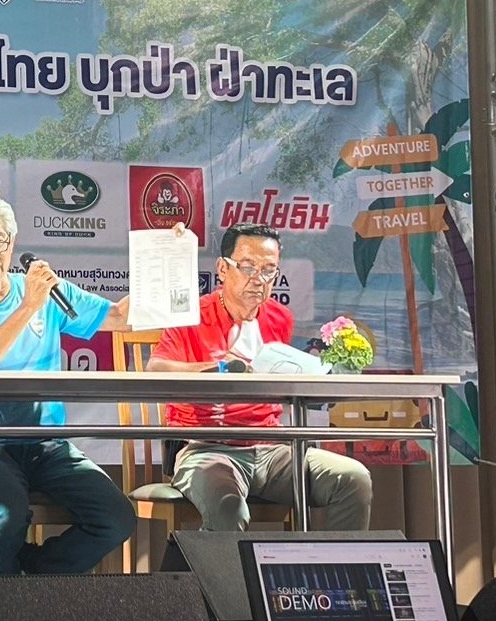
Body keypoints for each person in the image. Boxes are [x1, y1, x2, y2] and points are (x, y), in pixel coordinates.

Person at [0, 195, 136, 575]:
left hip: (46, 444)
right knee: (6, 515)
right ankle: (5, 604)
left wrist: (167, 261)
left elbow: (120, 318)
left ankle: (32, 578)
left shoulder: (45, 291)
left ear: (13, 242)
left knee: (116, 517)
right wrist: (27, 307)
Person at [148, 221, 373, 531]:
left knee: (353, 479)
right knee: (228, 508)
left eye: (269, 270)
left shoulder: (280, 317)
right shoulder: (191, 315)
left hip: (272, 449)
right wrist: (219, 369)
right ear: (223, 269)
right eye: (248, 267)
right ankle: (205, 563)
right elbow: (156, 370)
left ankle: (334, 564)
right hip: (206, 448)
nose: (258, 279)